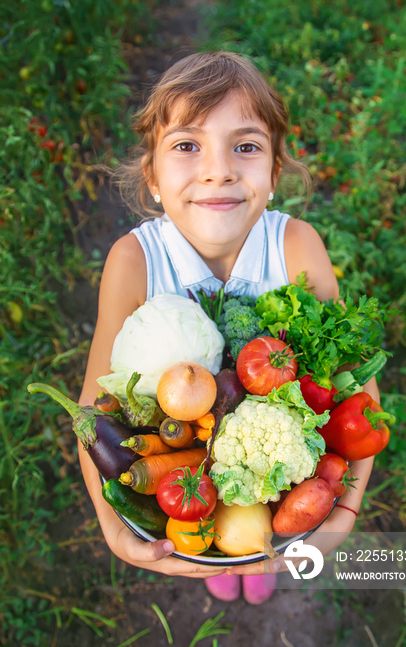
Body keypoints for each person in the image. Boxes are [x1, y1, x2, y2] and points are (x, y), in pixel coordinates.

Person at [78, 51, 379, 604]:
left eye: (245, 146)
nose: (219, 169)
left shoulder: (295, 246)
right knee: (213, 546)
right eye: (187, 146)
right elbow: (92, 414)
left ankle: (256, 550)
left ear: (274, 172)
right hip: (185, 474)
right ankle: (222, 558)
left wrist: (346, 512)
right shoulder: (133, 261)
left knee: (259, 540)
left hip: (275, 483)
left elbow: (356, 388)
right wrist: (113, 528)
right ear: (152, 176)